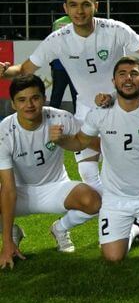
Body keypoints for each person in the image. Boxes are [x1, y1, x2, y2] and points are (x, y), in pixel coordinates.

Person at [0, 0, 139, 194]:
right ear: (66, 8)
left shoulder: (115, 29)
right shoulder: (58, 39)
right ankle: (112, 215)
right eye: (74, 5)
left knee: (133, 166)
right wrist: (4, 71)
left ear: (96, 5)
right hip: (87, 109)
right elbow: (24, 69)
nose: (80, 11)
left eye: (86, 4)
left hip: (122, 105)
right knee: (88, 176)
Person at [52, 56, 139, 262]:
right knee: (112, 257)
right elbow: (79, 142)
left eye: (134, 73)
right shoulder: (100, 113)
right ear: (114, 82)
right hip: (115, 199)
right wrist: (60, 140)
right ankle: (132, 231)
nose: (128, 79)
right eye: (122, 74)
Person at [0, 75, 102, 262]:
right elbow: (8, 189)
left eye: (35, 98)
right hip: (20, 192)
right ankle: (11, 233)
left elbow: (93, 143)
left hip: (56, 187)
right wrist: (6, 243)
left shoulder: (61, 118)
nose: (29, 105)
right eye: (22, 100)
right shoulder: (4, 133)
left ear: (44, 98)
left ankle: (61, 228)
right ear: (13, 104)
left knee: (94, 201)